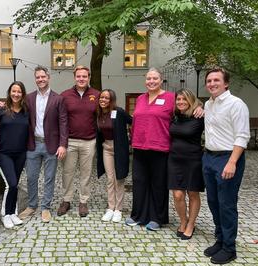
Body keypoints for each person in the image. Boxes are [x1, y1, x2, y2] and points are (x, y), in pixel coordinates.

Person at [127, 67, 203, 231]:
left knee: (158, 184)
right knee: (139, 182)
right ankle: (138, 215)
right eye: (148, 78)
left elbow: (187, 102)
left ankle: (157, 217)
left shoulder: (170, 97)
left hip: (161, 147)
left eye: (155, 78)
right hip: (139, 147)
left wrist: (200, 107)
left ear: (161, 80)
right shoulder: (140, 98)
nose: (151, 81)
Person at [202, 67, 250, 264]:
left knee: (227, 204)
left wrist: (232, 162)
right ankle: (220, 239)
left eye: (216, 80)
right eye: (209, 81)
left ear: (226, 83)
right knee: (213, 202)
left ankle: (229, 248)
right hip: (209, 157)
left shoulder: (236, 105)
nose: (212, 84)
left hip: (229, 158)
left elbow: (242, 136)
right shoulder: (208, 104)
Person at [19, 66, 68, 223]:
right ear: (35, 79)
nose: (40, 79)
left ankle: (45, 207)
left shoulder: (58, 99)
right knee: (31, 177)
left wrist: (63, 144)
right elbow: (15, 110)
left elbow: (63, 123)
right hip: (32, 144)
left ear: (48, 77)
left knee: (49, 178)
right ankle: (32, 205)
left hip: (51, 145)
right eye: (38, 77)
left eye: (43, 77)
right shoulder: (28, 98)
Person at [57, 65, 99, 217]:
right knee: (67, 172)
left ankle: (83, 201)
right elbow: (59, 117)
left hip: (89, 141)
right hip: (70, 141)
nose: (81, 79)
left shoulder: (97, 95)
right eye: (79, 76)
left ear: (89, 77)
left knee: (86, 173)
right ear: (74, 77)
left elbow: (105, 113)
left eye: (84, 76)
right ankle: (66, 200)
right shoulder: (65, 95)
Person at [167, 88, 204, 240]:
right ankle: (183, 220)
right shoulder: (175, 117)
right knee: (177, 194)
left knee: (193, 193)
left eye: (184, 99)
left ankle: (191, 224)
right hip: (175, 159)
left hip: (193, 159)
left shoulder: (199, 116)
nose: (181, 102)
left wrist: (202, 107)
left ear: (191, 101)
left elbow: (214, 107)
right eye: (178, 99)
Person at [0, 81, 29, 228]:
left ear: (23, 94)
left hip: (21, 153)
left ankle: (13, 213)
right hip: (4, 153)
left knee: (16, 184)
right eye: (13, 91)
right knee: (11, 184)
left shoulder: (26, 112)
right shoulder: (1, 110)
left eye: (19, 92)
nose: (16, 94)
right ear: (9, 92)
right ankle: (5, 214)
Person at [96, 89, 132, 223]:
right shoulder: (99, 114)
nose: (103, 100)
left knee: (119, 178)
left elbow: (133, 121)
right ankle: (110, 208)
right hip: (106, 148)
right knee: (110, 179)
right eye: (102, 97)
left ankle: (118, 209)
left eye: (107, 98)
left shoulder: (119, 112)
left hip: (119, 149)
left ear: (111, 100)